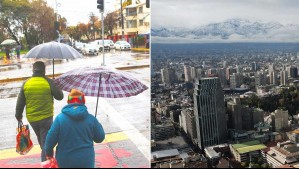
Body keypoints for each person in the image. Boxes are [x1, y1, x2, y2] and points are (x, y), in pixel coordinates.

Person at [15, 61, 64, 162]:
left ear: (33, 70)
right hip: (46, 118)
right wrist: (55, 85)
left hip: (32, 119)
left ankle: (46, 154)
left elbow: (20, 102)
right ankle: (46, 162)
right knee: (46, 142)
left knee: (42, 140)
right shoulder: (48, 82)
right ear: (44, 70)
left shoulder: (26, 83)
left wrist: (18, 115)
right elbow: (60, 96)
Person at [44, 89, 105, 168]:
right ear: (83, 101)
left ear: (69, 101)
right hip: (86, 161)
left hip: (65, 161)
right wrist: (97, 123)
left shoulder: (59, 119)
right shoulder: (90, 119)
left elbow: (49, 141)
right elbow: (100, 138)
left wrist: (49, 154)